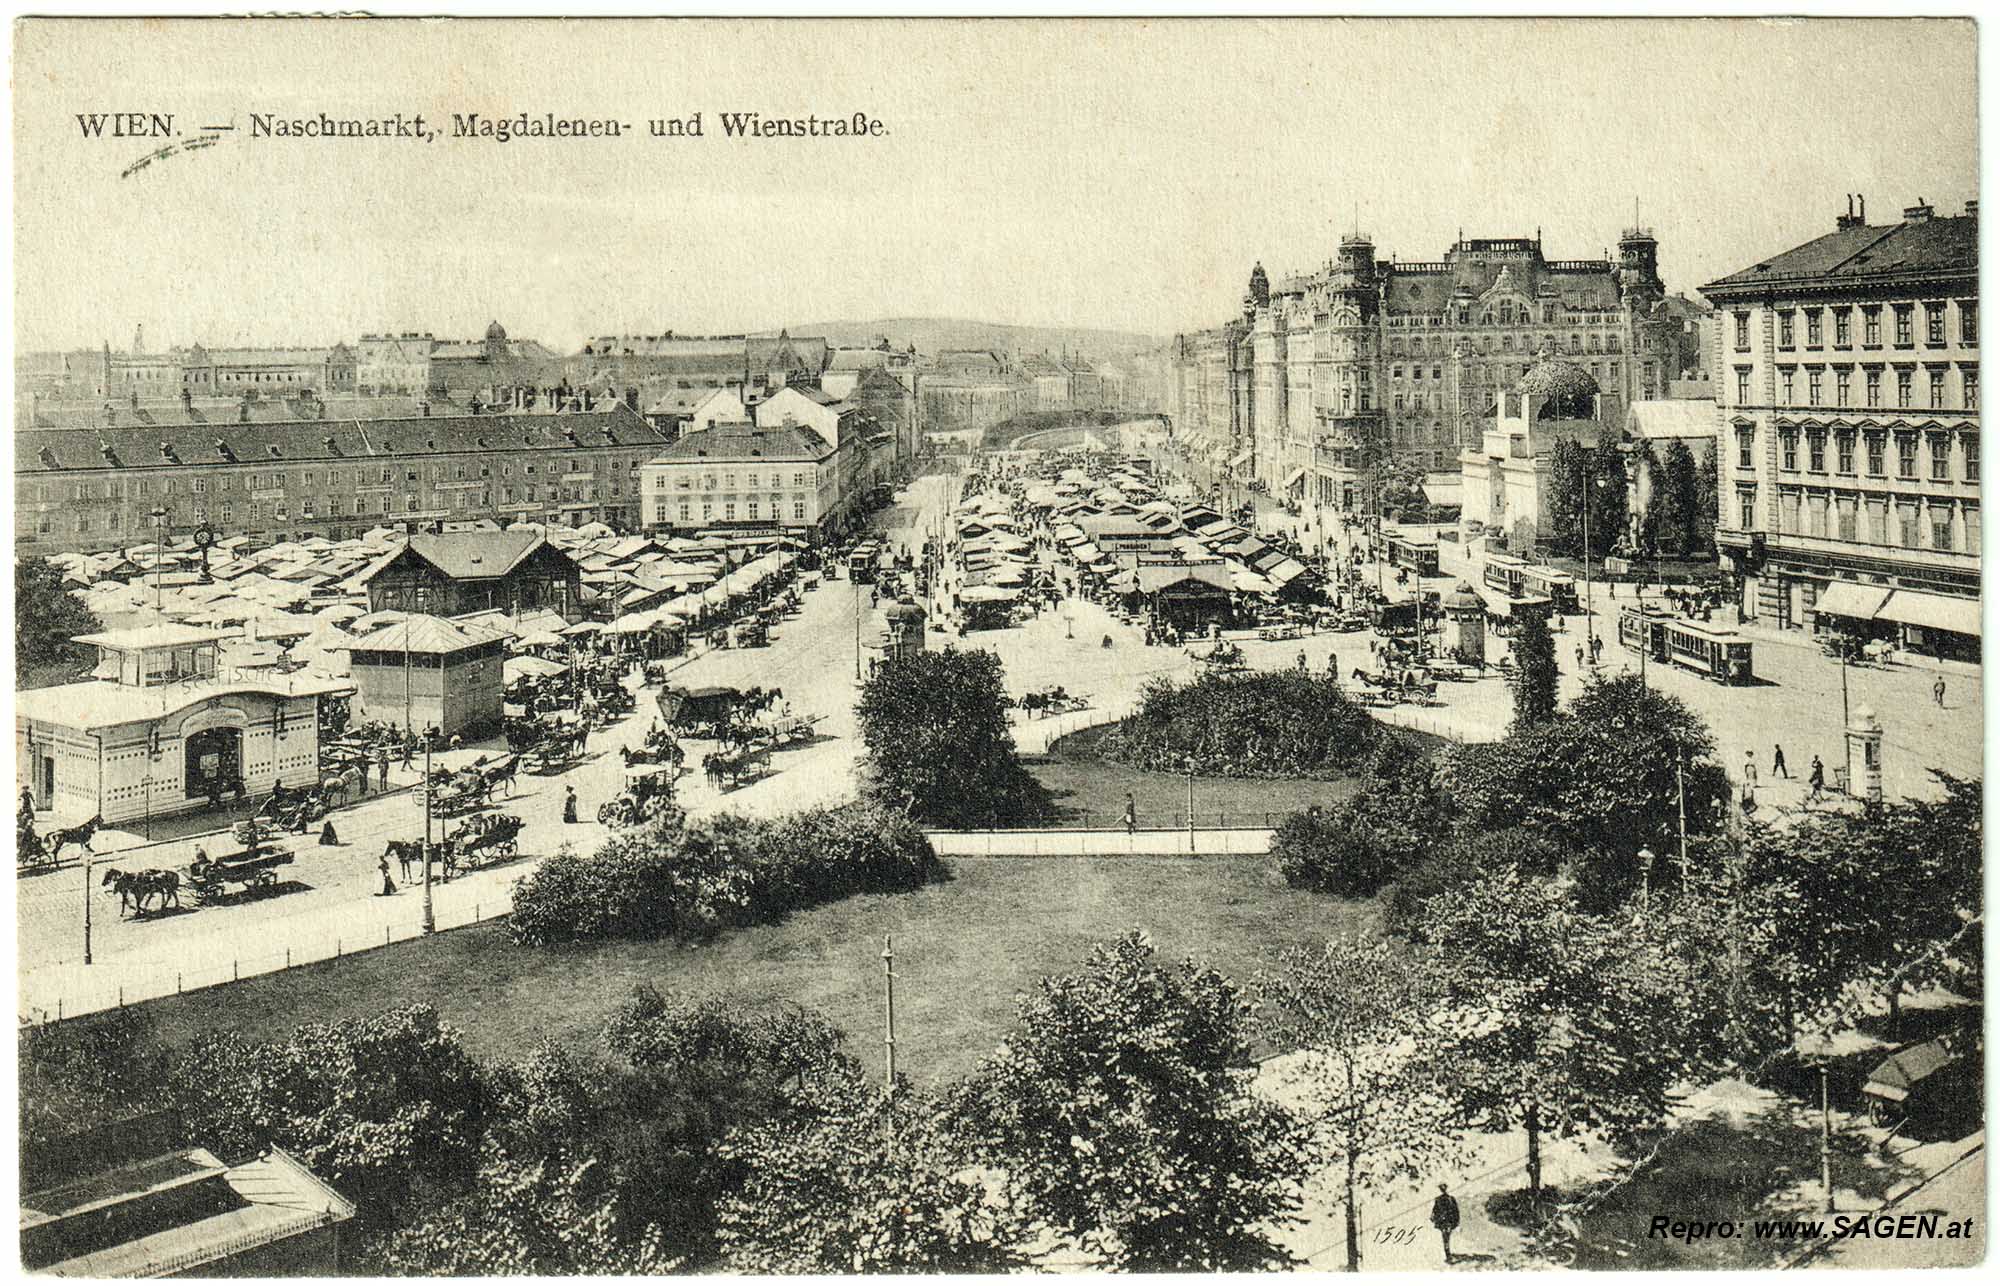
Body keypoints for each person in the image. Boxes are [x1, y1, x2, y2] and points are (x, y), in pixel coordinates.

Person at [1431, 1182, 1461, 1264]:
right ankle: (1448, 1255)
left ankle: (1448, 1255)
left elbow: (1434, 1211)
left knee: (1445, 1238)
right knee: (1446, 1238)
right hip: (1449, 1222)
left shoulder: (1438, 1199)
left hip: (1443, 1222)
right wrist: (1457, 1221)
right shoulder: (1451, 1198)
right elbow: (1456, 1211)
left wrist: (1433, 1219)